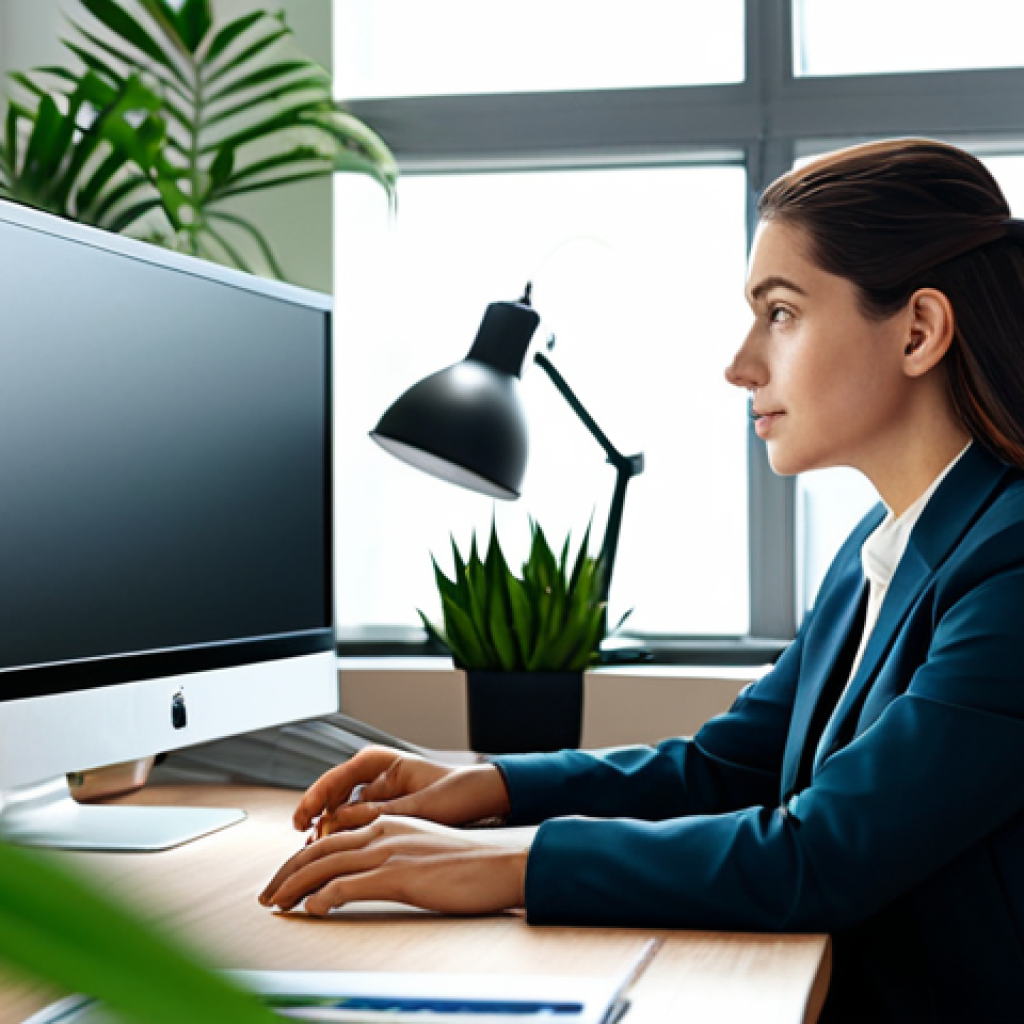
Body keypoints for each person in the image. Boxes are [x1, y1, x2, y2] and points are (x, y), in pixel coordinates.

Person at [260, 139, 1024, 1023]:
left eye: (780, 312)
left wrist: (505, 863)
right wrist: (489, 786)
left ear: (919, 330)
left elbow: (822, 855)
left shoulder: (1007, 561)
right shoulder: (887, 545)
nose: (740, 364)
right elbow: (723, 771)